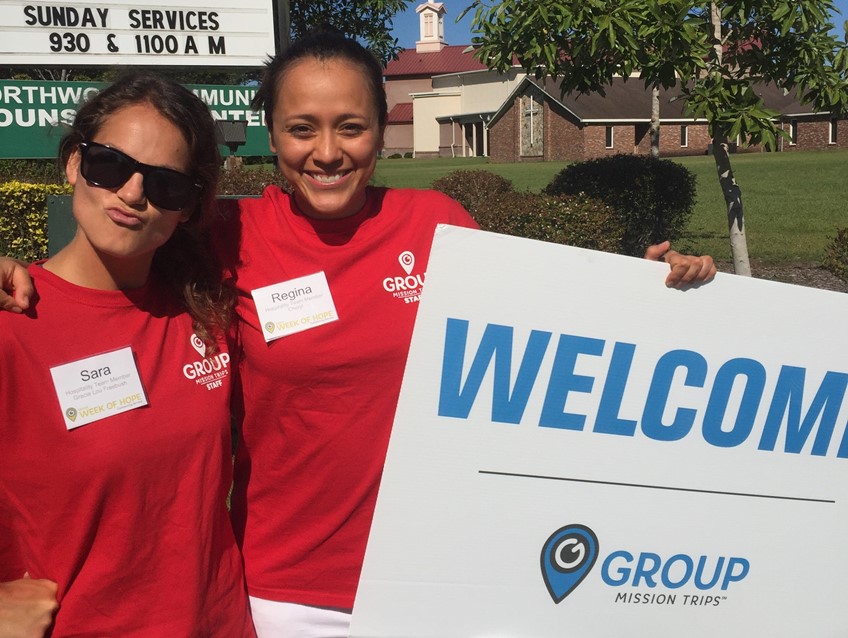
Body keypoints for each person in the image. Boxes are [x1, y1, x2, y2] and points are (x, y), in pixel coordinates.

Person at [0, 31, 716, 638]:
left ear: (381, 126)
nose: (327, 152)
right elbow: (94, 285)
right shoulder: (226, 233)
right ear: (271, 135)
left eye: (351, 126)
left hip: (433, 578)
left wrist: (646, 291)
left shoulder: (436, 221)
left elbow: (534, 325)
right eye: (301, 128)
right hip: (283, 596)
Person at [0, 72, 255, 637]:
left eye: (166, 186)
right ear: (72, 164)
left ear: (188, 208)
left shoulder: (208, 311)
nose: (134, 194)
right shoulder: (12, 327)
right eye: (111, 166)